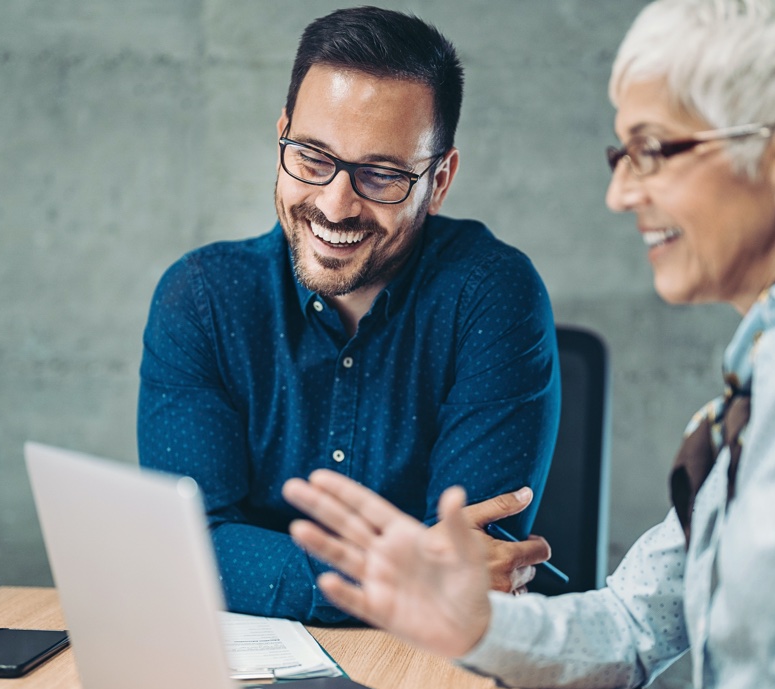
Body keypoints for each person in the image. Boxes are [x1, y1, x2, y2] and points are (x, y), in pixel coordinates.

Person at [282, 0, 775, 689]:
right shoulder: (771, 377)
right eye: (623, 155)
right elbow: (632, 625)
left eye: (655, 151)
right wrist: (477, 623)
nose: (622, 194)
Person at [137, 7, 560, 624]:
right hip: (247, 670)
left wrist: (262, 569)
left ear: (438, 181)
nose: (335, 205)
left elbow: (471, 560)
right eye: (312, 157)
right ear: (282, 133)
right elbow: (190, 546)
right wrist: (405, 576)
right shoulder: (201, 299)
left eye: (381, 174)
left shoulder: (495, 296)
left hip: (437, 667)